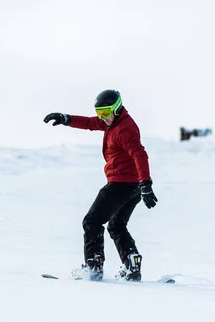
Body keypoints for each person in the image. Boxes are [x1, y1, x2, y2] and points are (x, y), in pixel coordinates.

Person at [43, 89, 158, 281]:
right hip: (133, 187)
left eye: (105, 113)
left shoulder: (124, 129)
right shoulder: (113, 122)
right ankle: (132, 264)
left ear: (117, 108)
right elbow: (89, 123)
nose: (102, 118)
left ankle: (93, 266)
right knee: (117, 226)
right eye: (100, 113)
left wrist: (146, 182)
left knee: (92, 222)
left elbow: (139, 154)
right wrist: (66, 118)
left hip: (121, 184)